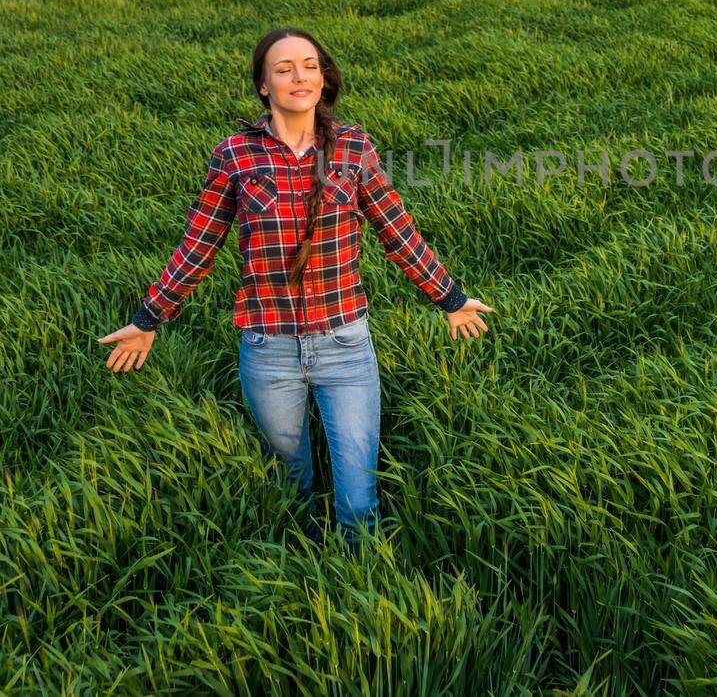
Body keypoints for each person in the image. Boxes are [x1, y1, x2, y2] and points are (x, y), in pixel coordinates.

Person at [97, 27, 493, 550]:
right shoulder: (237, 155)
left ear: (323, 76)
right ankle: (303, 581)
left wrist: (449, 297)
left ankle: (363, 594)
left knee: (358, 502)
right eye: (283, 69)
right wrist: (148, 320)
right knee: (293, 491)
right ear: (264, 85)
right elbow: (199, 244)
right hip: (269, 350)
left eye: (309, 65)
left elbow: (396, 229)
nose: (299, 76)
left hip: (346, 345)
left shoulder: (352, 147)